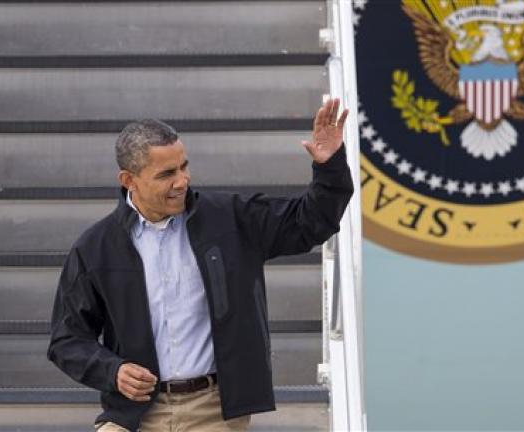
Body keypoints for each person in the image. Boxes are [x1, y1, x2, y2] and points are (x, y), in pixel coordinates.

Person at [47, 98, 353, 431]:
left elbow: (310, 223)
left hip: (213, 411)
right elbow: (67, 340)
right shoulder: (95, 247)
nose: (182, 181)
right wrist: (112, 371)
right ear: (128, 180)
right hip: (131, 414)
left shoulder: (232, 219)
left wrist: (330, 168)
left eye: (183, 167)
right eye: (166, 174)